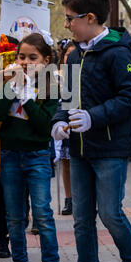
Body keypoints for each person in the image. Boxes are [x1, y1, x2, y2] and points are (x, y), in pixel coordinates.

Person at [52, 0, 131, 262]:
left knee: (110, 214)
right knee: (81, 219)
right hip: (79, 150)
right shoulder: (75, 56)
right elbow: (65, 97)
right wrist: (58, 122)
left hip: (110, 149)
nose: (67, 24)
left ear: (90, 17)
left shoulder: (118, 54)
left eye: (70, 18)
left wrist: (94, 116)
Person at [0, 33, 62, 262]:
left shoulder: (50, 86)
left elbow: (44, 125)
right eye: (21, 57)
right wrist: (11, 87)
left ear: (46, 60)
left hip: (38, 155)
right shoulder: (9, 81)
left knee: (42, 212)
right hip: (10, 154)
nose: (25, 62)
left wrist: (28, 98)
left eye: (33, 58)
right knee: (14, 214)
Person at [58, 41, 75, 215]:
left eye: (73, 54)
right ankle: (69, 199)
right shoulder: (55, 76)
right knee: (67, 163)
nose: (69, 57)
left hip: (80, 122)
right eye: (67, 54)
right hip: (62, 123)